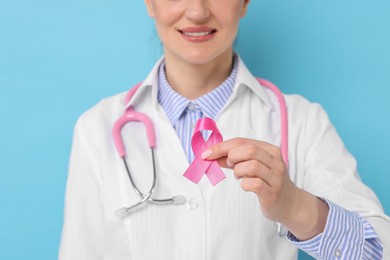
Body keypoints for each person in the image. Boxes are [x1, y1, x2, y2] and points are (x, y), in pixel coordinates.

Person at [59, 0, 390, 259]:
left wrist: (294, 207)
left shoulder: (302, 121)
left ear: (245, 3)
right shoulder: (96, 128)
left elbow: (380, 251)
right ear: (149, 2)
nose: (197, 11)